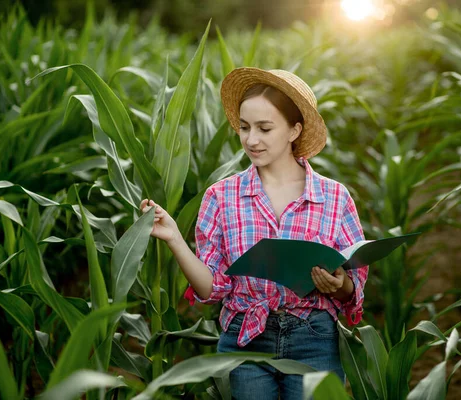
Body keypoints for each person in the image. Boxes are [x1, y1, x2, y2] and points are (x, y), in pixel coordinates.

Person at [140, 67, 368, 399]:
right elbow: (213, 288)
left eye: (265, 128)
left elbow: (354, 285)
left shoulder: (334, 197)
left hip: (314, 339)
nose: (251, 140)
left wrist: (341, 285)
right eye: (244, 128)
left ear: (294, 130)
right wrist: (175, 237)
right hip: (245, 339)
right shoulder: (221, 196)